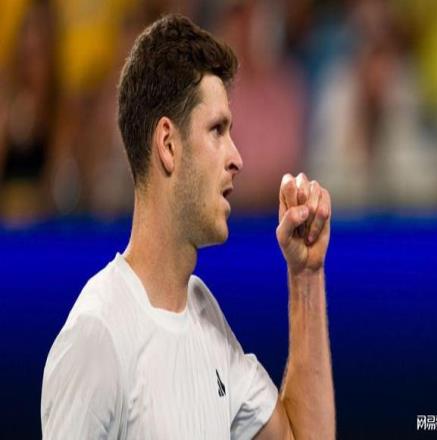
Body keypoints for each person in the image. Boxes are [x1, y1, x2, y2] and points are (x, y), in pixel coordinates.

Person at [41, 14, 335, 439]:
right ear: (168, 145)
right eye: (217, 130)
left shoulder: (204, 314)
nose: (236, 158)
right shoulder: (97, 335)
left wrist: (306, 275)